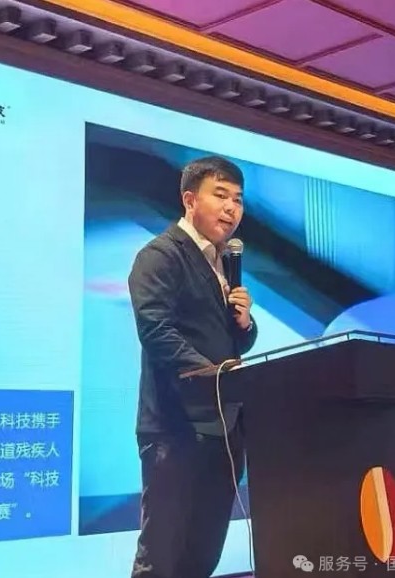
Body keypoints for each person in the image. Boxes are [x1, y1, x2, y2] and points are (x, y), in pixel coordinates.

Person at [128, 155, 258, 578]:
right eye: (220, 195)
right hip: (175, 428)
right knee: (161, 555)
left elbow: (227, 341)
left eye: (237, 199)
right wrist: (215, 378)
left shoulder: (223, 263)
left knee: (203, 553)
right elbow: (156, 330)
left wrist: (245, 323)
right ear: (189, 200)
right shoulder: (161, 255)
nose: (231, 208)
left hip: (223, 428)